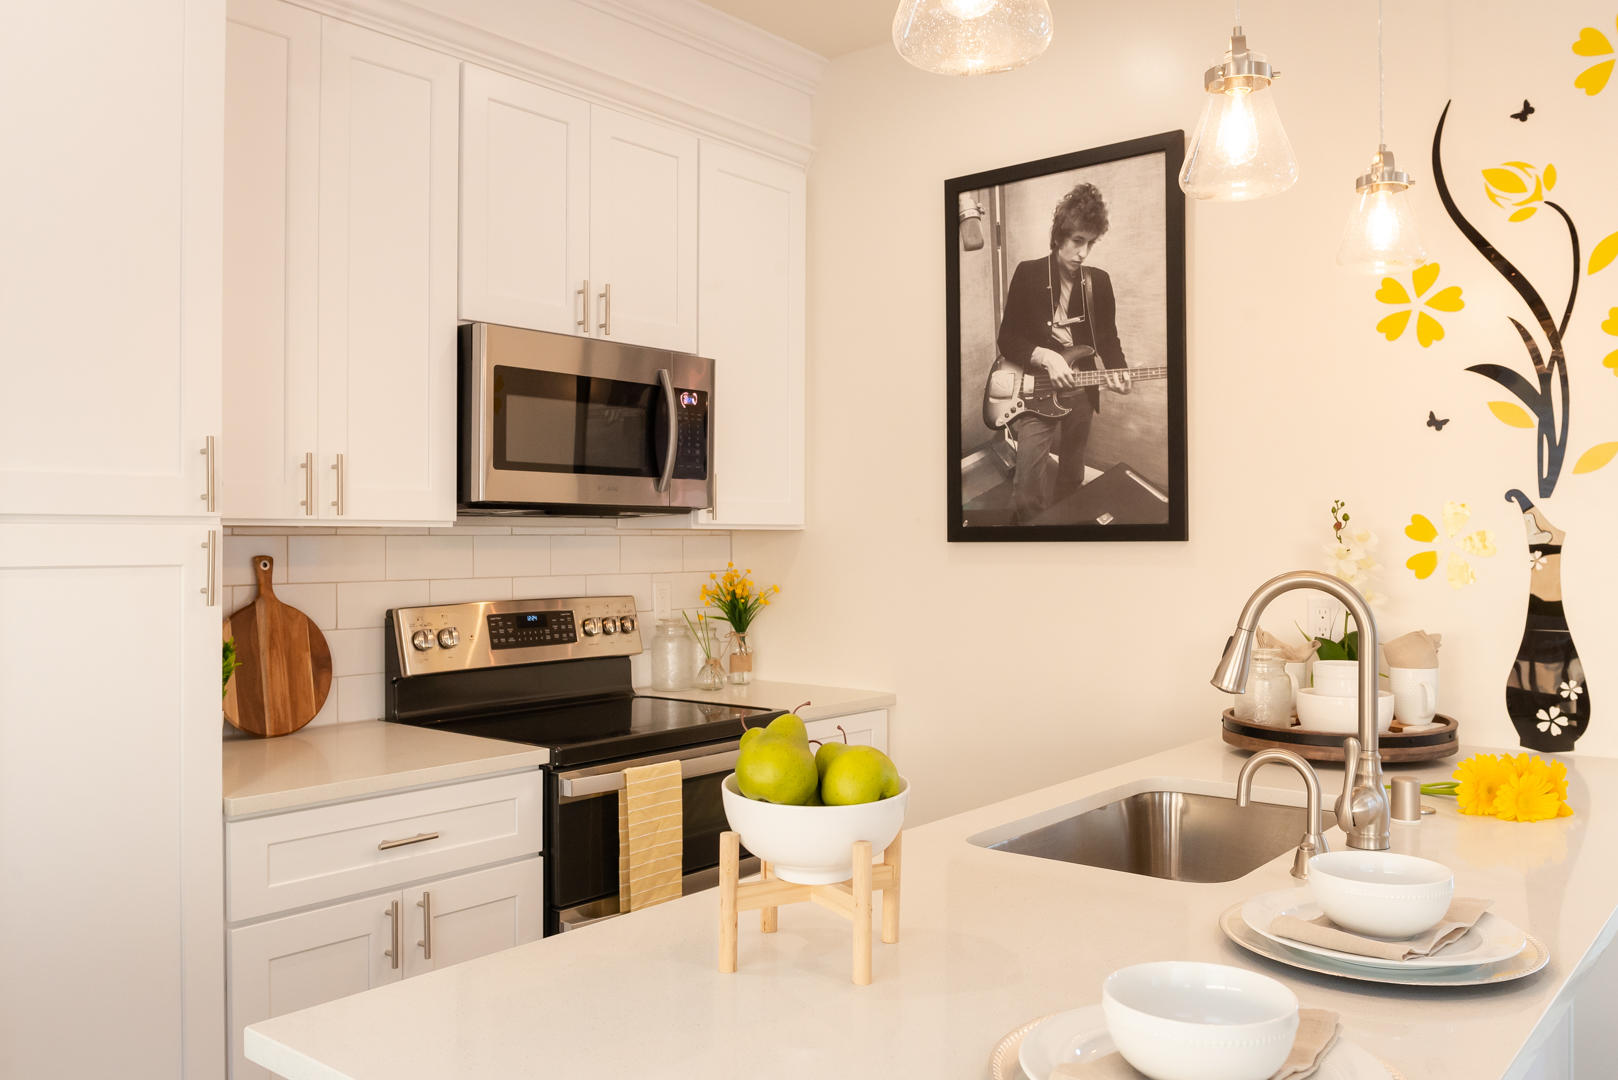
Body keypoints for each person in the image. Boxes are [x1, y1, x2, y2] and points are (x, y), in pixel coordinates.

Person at [996, 182, 1130, 524]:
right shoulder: (1028, 273)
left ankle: (1065, 531)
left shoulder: (1098, 282)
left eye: (1090, 243)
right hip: (1034, 388)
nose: (1083, 253)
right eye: (1077, 241)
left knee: (1073, 473)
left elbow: (1108, 338)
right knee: (1026, 488)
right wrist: (1044, 355)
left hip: (1079, 390)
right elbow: (1007, 338)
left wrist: (1119, 369)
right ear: (1059, 236)